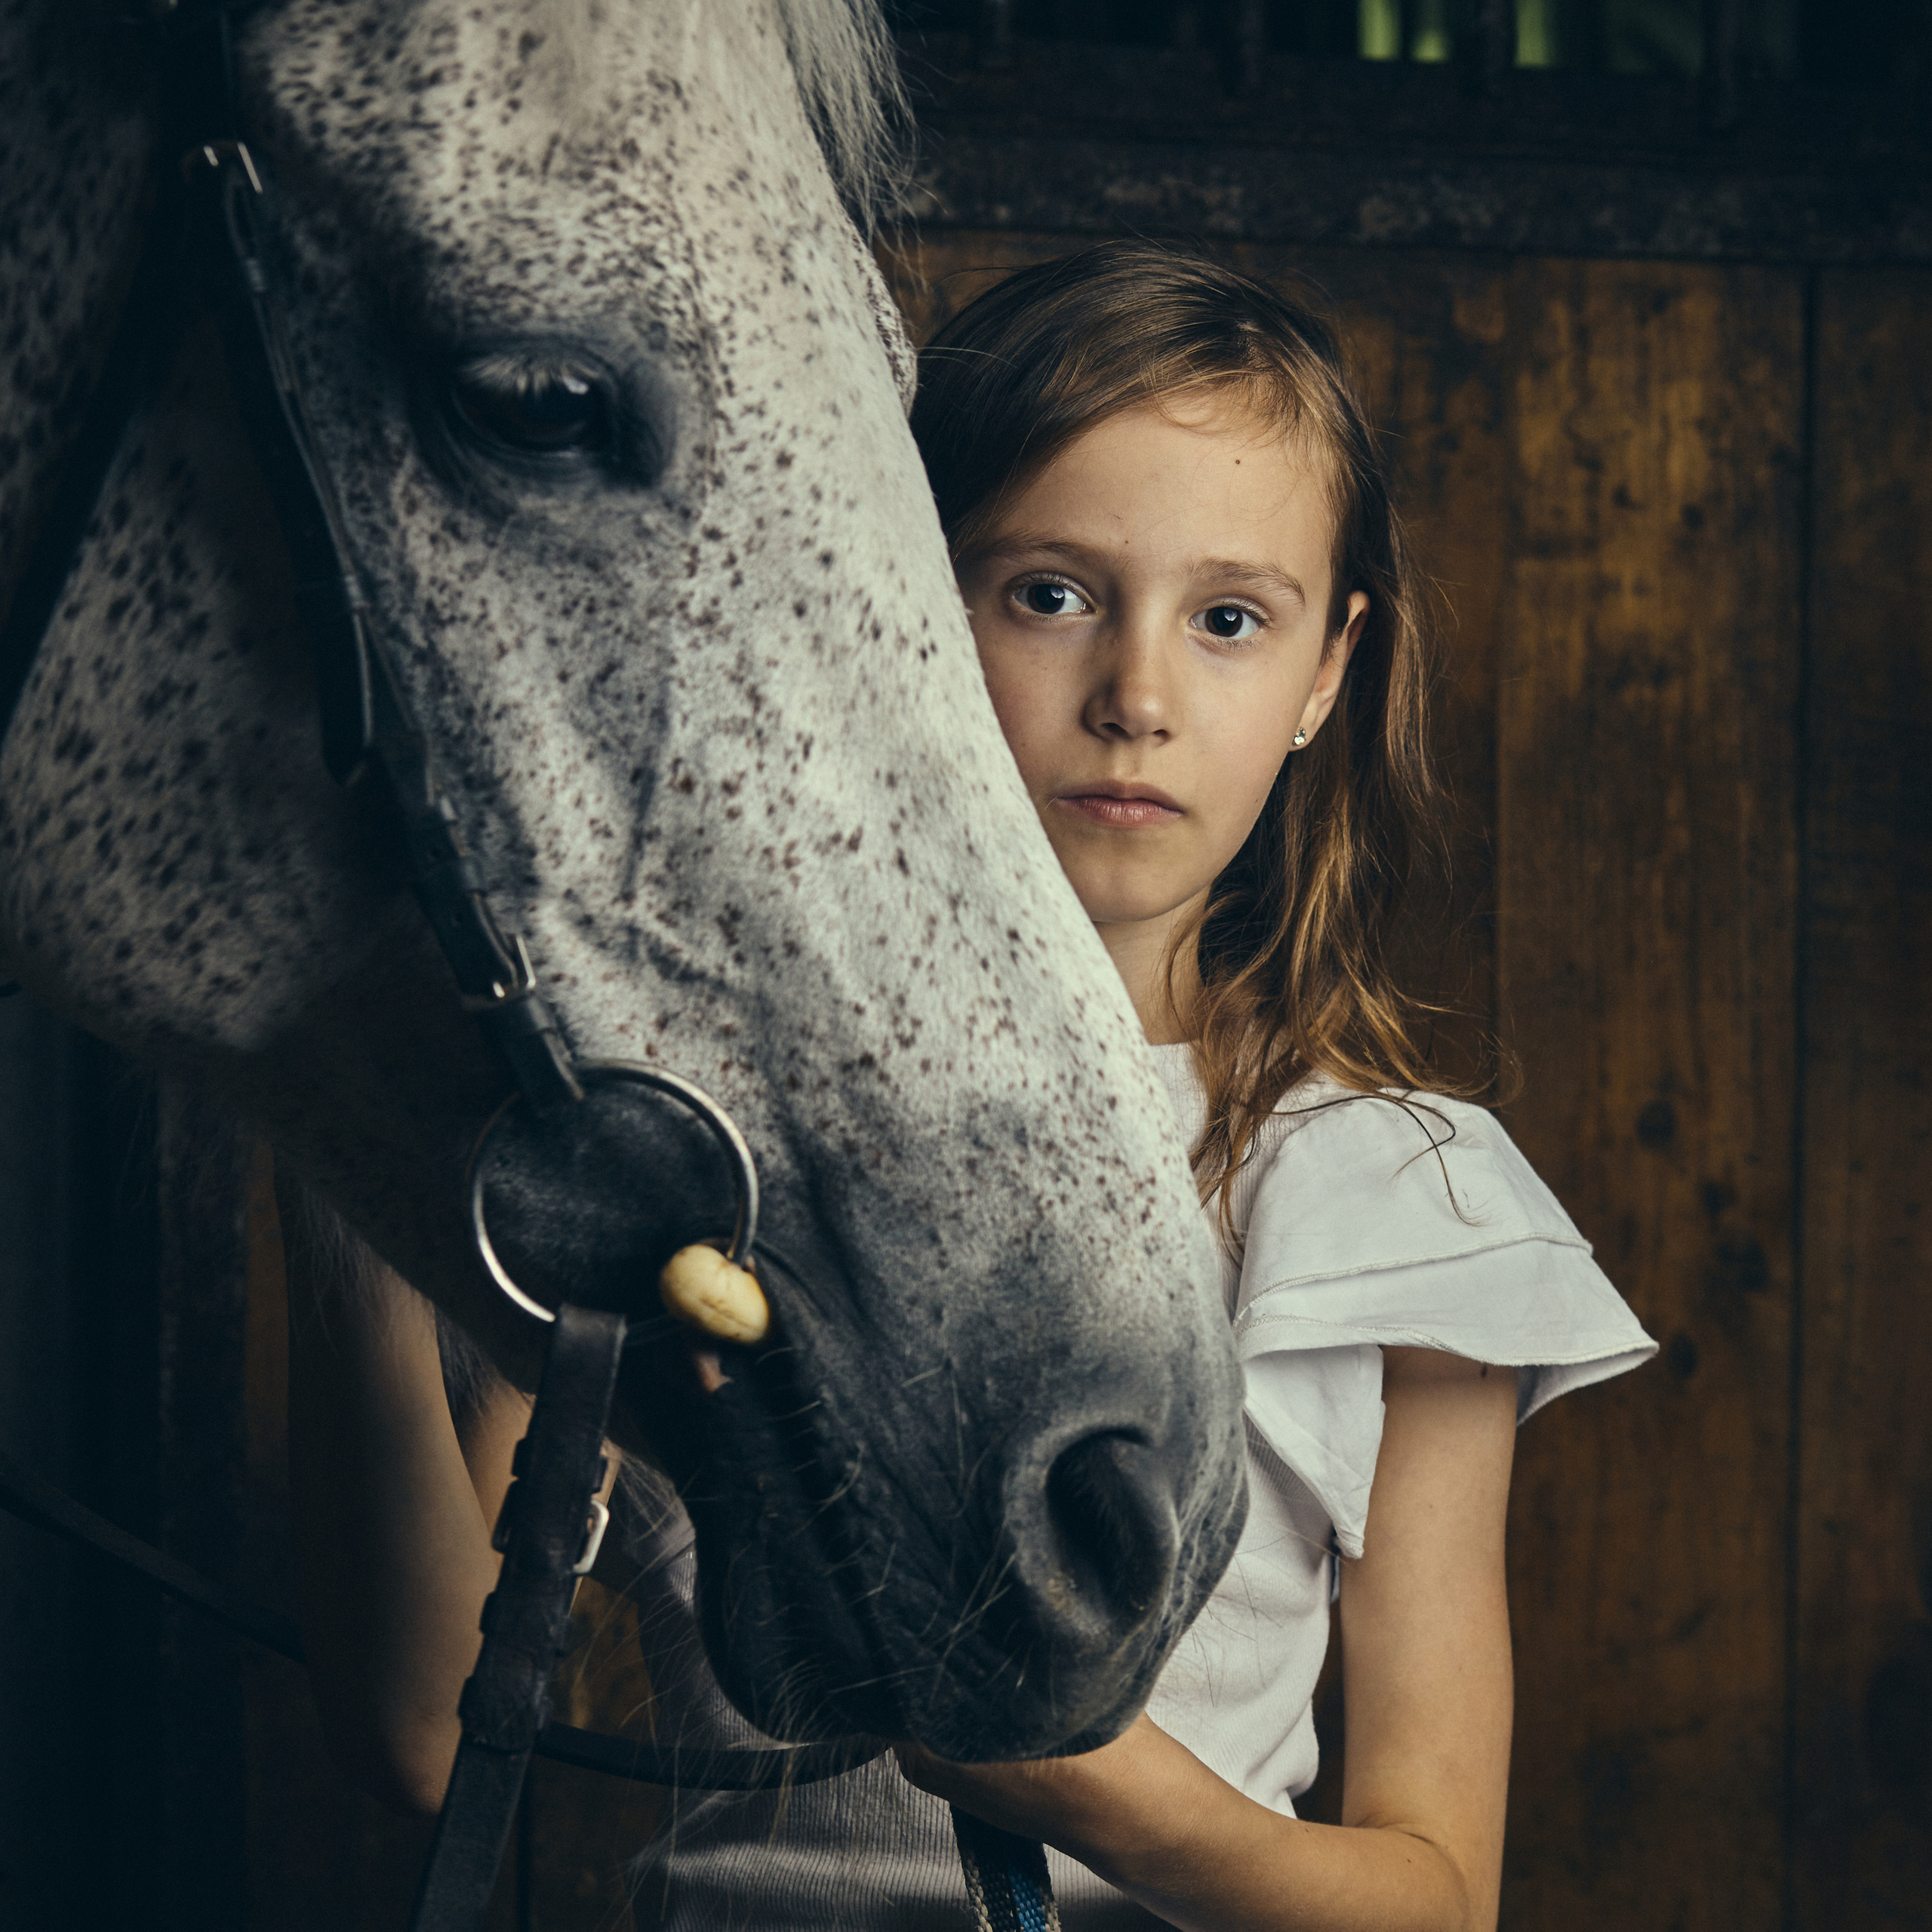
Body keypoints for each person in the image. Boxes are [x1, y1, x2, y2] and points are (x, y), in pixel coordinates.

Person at [286, 242, 1655, 1931]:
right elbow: (424, 1732)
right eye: (1049, 594)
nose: (1137, 698)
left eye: (1228, 619)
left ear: (1324, 672)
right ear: (902, 612)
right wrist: (353, 1158)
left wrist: (1079, 1773)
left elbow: (1432, 1899)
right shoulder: (689, 1135)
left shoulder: (1394, 1190)